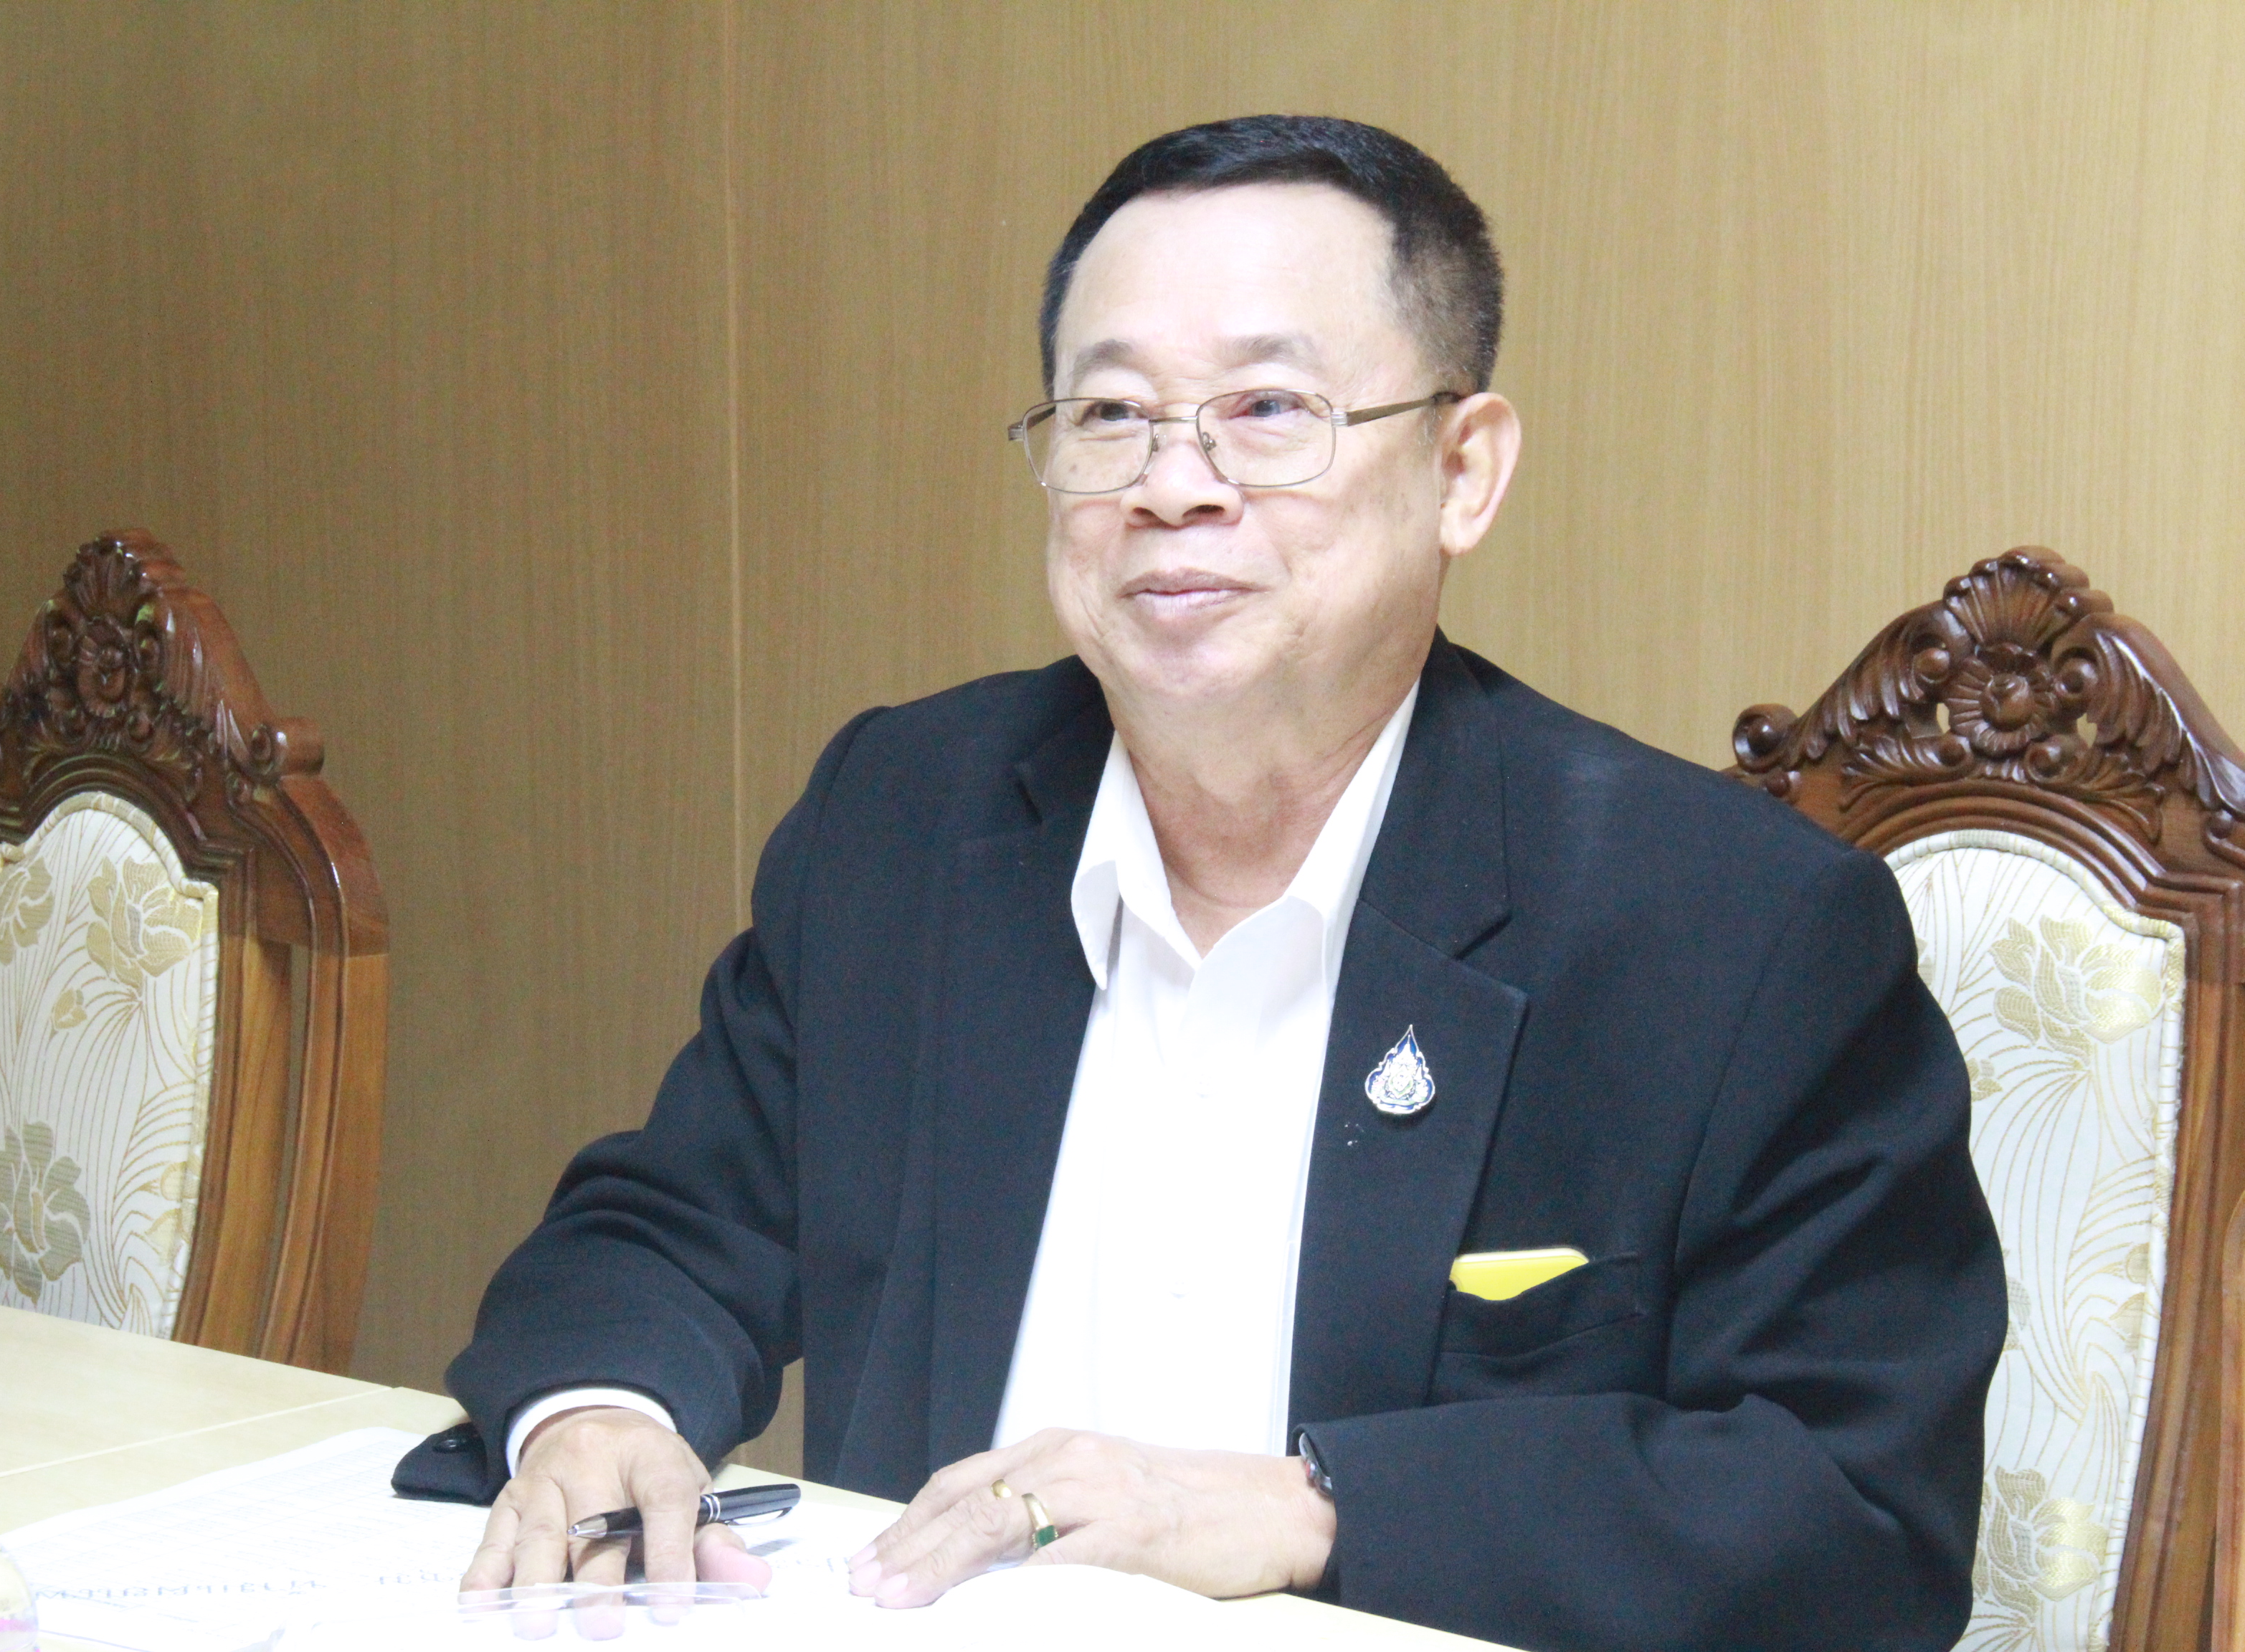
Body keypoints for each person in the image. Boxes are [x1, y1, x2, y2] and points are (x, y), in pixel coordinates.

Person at [446, 114, 2003, 1651]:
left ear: (1462, 470)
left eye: (1267, 409)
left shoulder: (1729, 929)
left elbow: (1855, 1512)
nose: (1172, 485)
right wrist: (600, 1414)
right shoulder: (905, 818)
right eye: (1111, 415)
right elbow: (667, 1226)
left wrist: (1319, 1512)